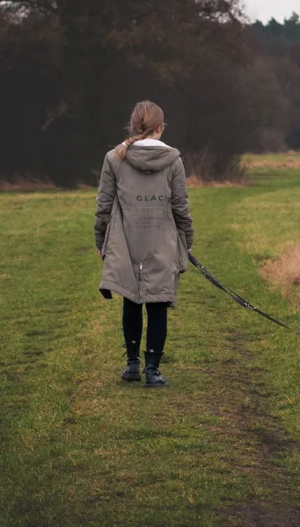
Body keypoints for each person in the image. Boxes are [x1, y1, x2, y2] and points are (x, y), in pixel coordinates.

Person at [94, 101, 194, 387]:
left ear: (133, 124)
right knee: (158, 302)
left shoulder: (114, 157)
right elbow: (181, 206)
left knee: (132, 299)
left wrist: (100, 239)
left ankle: (132, 365)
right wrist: (187, 238)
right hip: (162, 238)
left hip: (126, 238)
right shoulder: (173, 160)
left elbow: (103, 205)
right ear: (160, 128)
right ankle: (153, 369)